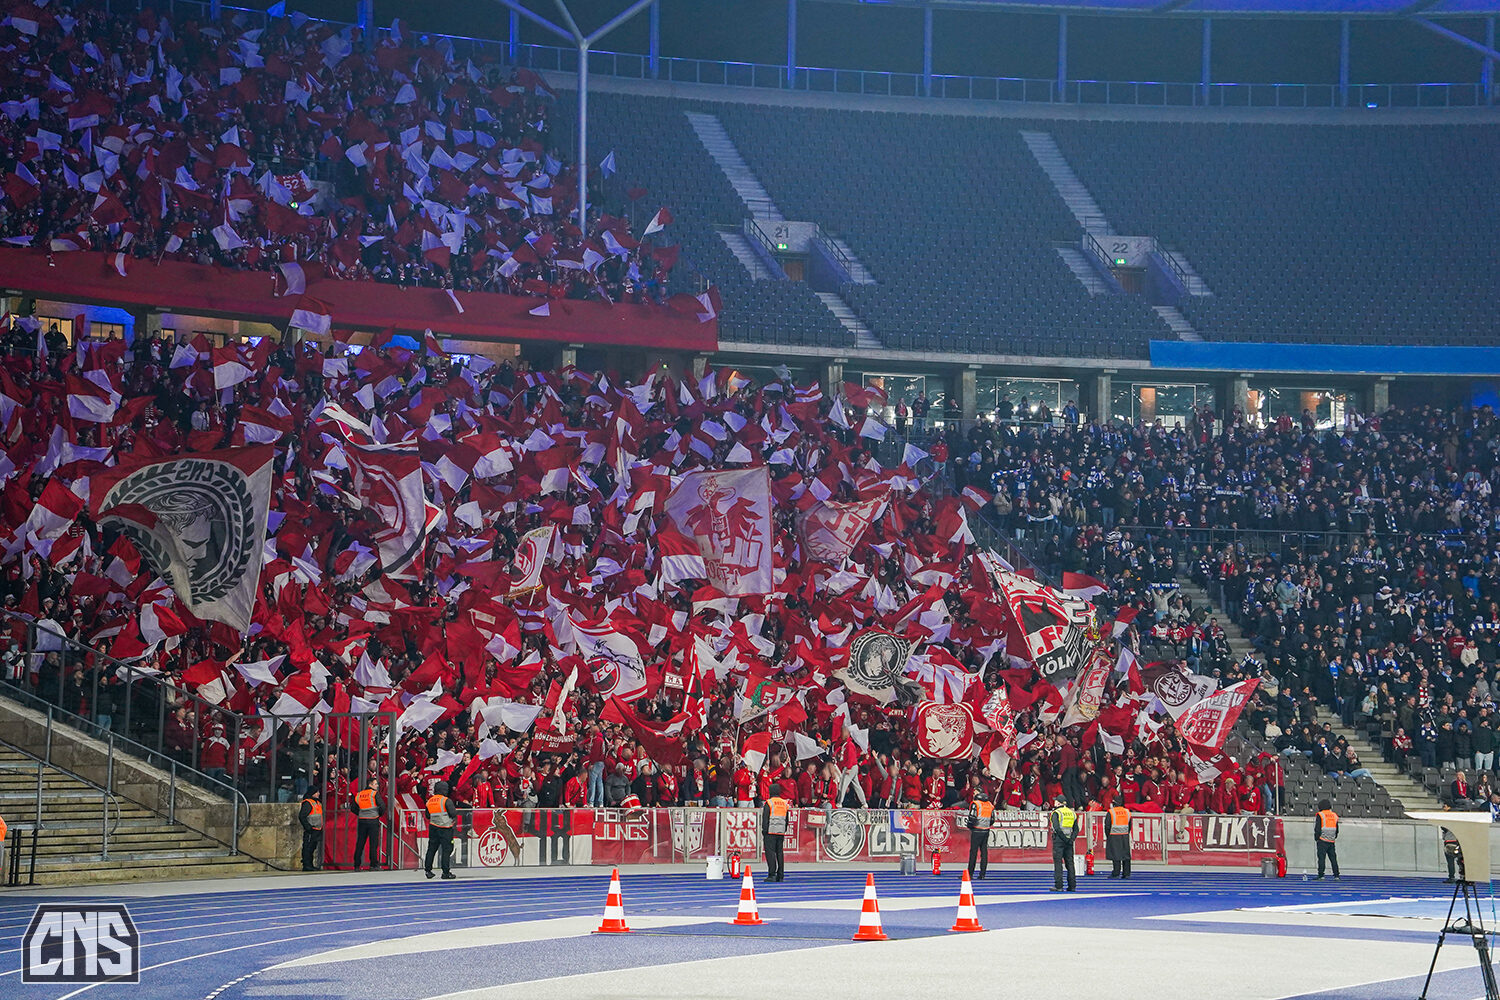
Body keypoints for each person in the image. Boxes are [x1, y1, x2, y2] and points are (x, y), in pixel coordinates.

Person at [425, 780, 458, 880]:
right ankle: (445, 872)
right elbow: (453, 813)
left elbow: (427, 815)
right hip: (445, 828)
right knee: (446, 850)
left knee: (431, 849)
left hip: (433, 827)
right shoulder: (446, 800)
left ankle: (428, 870)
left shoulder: (429, 801)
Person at [349, 778, 384, 870]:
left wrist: (361, 813)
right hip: (373, 820)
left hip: (362, 821)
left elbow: (353, 808)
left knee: (360, 843)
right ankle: (373, 865)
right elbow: (382, 806)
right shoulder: (374, 794)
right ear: (370, 784)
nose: (377, 786)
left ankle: (357, 865)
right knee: (373, 844)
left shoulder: (359, 794)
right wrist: (378, 814)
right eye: (375, 784)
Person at [761, 785, 791, 883]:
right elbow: (787, 819)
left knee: (770, 853)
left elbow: (765, 818)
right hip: (781, 831)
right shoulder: (784, 803)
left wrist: (764, 830)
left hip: (770, 831)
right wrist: (784, 829)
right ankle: (780, 875)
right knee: (779, 853)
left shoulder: (769, 803)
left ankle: (772, 874)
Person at [1049, 796, 1079, 892]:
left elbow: (1057, 828)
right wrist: (1071, 839)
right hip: (1069, 841)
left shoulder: (1056, 813)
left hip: (1059, 840)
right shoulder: (1072, 813)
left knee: (1058, 863)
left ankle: (1059, 886)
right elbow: (1076, 829)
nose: (1054, 802)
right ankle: (1072, 885)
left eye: (1056, 801)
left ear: (1059, 803)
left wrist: (1064, 839)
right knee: (1070, 863)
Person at [964, 788, 995, 880]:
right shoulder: (990, 804)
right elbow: (992, 819)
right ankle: (982, 874)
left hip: (977, 830)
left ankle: (970, 874)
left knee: (973, 852)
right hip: (986, 830)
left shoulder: (976, 804)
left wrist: (970, 826)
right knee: (984, 852)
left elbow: (972, 817)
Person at [297, 789, 323, 872]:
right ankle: (307, 865)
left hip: (317, 829)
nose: (318, 793)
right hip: (311, 829)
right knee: (308, 847)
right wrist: (308, 827)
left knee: (312, 847)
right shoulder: (308, 803)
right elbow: (302, 816)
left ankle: (310, 864)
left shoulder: (317, 802)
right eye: (316, 792)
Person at [1314, 798, 1340, 880]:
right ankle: (1336, 875)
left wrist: (1316, 838)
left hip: (1322, 840)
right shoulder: (1334, 815)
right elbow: (1337, 828)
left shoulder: (1320, 815)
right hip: (1331, 840)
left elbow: (1317, 828)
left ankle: (1321, 875)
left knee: (1321, 858)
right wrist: (1334, 837)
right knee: (1333, 859)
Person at [1106, 802, 1132, 880]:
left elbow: (1107, 825)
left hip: (1114, 835)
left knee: (1116, 855)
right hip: (1125, 834)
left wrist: (1108, 835)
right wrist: (1126, 832)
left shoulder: (1111, 812)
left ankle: (1116, 873)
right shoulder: (1127, 812)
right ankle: (1126, 873)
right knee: (1126, 854)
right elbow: (1129, 824)